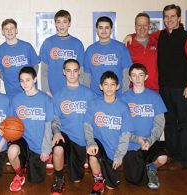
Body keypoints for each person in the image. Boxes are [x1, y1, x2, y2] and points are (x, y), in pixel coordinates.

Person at [157, 4, 187, 170]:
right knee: (169, 123)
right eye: (166, 17)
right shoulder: (160, 36)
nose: (169, 20)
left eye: (172, 16)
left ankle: (183, 159)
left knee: (183, 123)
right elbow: (143, 35)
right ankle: (173, 155)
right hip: (165, 88)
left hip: (182, 89)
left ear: (178, 18)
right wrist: (129, 36)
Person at [50, 59, 96, 195]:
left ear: (79, 72)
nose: (72, 74)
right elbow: (55, 119)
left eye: (75, 71)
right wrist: (56, 132)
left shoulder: (89, 94)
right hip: (65, 136)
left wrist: (91, 139)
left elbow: (95, 118)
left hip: (82, 139)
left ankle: (74, 164)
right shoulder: (58, 95)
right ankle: (59, 178)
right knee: (58, 147)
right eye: (68, 71)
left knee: (76, 180)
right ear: (64, 72)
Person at [84, 71, 133, 194]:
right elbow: (87, 125)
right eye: (106, 84)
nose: (109, 87)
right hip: (99, 144)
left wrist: (119, 155)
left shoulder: (123, 107)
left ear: (118, 86)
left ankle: (108, 175)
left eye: (112, 84)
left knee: (112, 187)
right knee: (92, 154)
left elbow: (125, 134)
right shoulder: (94, 104)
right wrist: (90, 142)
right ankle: (99, 181)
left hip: (114, 150)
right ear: (101, 86)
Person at [121, 63, 167, 190]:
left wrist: (150, 140)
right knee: (135, 180)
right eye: (134, 75)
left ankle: (151, 168)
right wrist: (137, 139)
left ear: (146, 77)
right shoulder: (123, 98)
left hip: (150, 142)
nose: (137, 78)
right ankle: (138, 167)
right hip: (132, 144)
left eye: (140, 75)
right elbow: (121, 127)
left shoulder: (155, 97)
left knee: (162, 158)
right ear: (129, 78)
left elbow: (159, 124)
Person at [8, 67, 53, 192]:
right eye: (22, 81)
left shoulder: (45, 99)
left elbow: (48, 126)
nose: (25, 84)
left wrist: (46, 149)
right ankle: (19, 175)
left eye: (28, 80)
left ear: (35, 79)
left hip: (38, 145)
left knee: (36, 181)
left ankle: (37, 161)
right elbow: (11, 124)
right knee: (12, 151)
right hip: (22, 140)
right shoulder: (16, 99)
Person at [39, 10, 85, 97]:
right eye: (58, 22)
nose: (61, 25)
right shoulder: (48, 42)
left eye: (64, 21)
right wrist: (46, 90)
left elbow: (81, 70)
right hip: (53, 92)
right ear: (55, 24)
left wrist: (80, 89)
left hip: (73, 91)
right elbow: (44, 70)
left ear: (69, 23)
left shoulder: (77, 43)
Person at [83, 16, 133, 96]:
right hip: (95, 97)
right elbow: (86, 76)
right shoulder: (90, 50)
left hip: (117, 96)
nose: (103, 30)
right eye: (101, 27)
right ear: (97, 30)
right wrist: (88, 95)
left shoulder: (121, 48)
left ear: (111, 30)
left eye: (107, 27)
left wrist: (124, 94)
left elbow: (127, 72)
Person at [0, 19, 40, 98]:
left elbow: (35, 65)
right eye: (6, 29)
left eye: (12, 28)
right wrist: (8, 80)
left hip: (30, 90)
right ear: (2, 32)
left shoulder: (27, 46)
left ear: (16, 30)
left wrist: (30, 80)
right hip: (11, 92)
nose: (9, 31)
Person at [126, 13, 159, 92]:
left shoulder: (157, 42)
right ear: (135, 26)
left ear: (149, 26)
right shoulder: (127, 45)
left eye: (145, 25)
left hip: (154, 90)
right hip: (134, 90)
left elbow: (170, 30)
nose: (142, 28)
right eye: (139, 25)